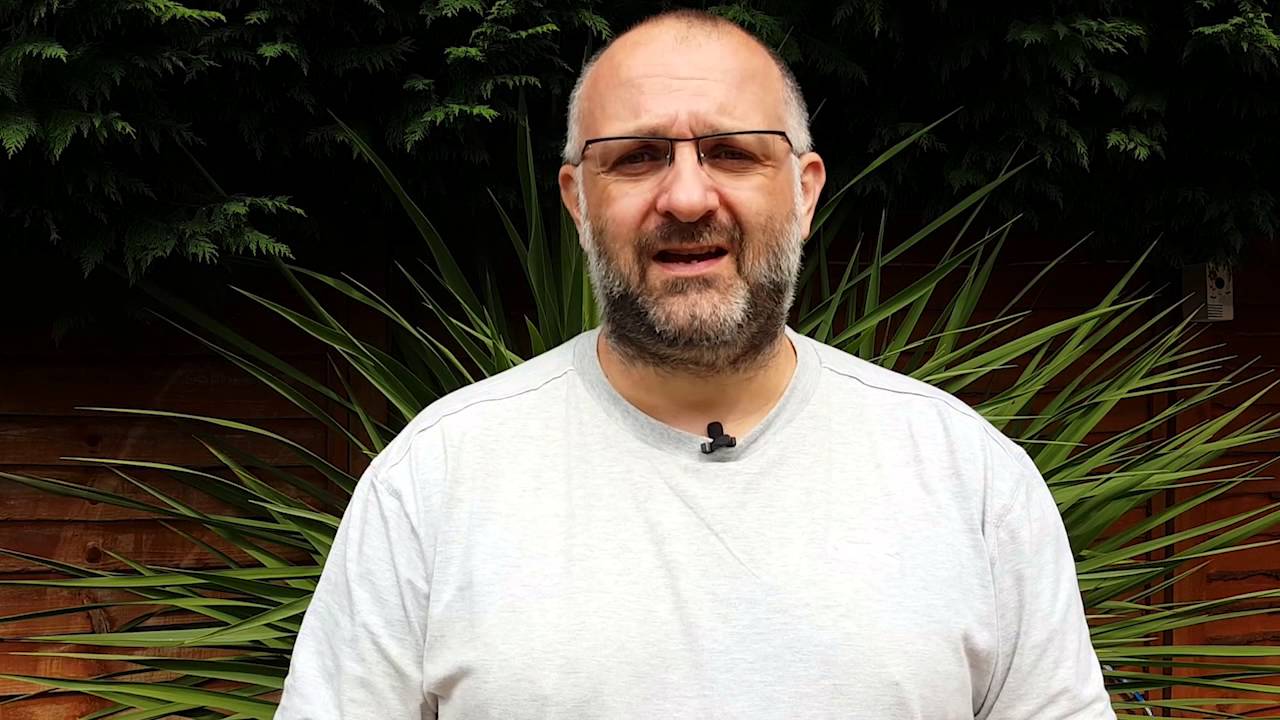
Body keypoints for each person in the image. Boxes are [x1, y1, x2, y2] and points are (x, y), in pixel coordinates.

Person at [274, 9, 1115, 719]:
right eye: (637, 157)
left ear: (805, 191)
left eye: (732, 152)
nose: (684, 197)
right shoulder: (436, 480)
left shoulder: (969, 480)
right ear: (577, 200)